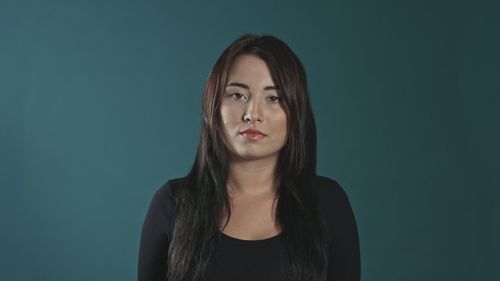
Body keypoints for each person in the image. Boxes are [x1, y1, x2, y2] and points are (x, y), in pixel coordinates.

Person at [138, 34, 360, 281]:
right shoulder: (172, 205)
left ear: (296, 114)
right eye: (237, 95)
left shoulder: (328, 204)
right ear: (212, 106)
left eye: (273, 98)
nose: (252, 114)